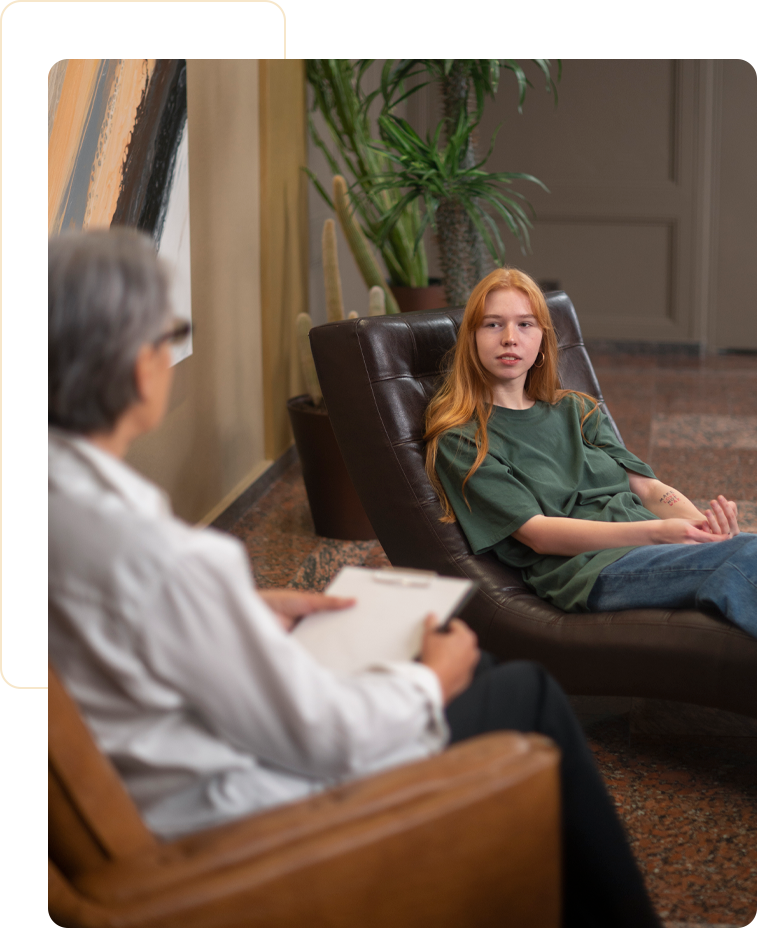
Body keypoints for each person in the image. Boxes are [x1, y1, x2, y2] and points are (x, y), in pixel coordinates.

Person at [47, 229, 662, 928]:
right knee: (523, 693)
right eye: (171, 336)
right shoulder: (173, 560)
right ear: (140, 367)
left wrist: (237, 607)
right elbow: (321, 736)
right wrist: (429, 680)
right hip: (237, 817)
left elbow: (118, 615)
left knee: (486, 670)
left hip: (152, 760)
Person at [425, 267, 756, 637]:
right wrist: (658, 533)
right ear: (471, 338)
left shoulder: (576, 409)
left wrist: (704, 530)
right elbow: (539, 534)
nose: (509, 338)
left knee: (747, 551)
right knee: (749, 558)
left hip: (651, 545)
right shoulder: (463, 440)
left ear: (542, 339)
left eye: (525, 324)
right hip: (592, 571)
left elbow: (648, 489)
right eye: (492, 324)